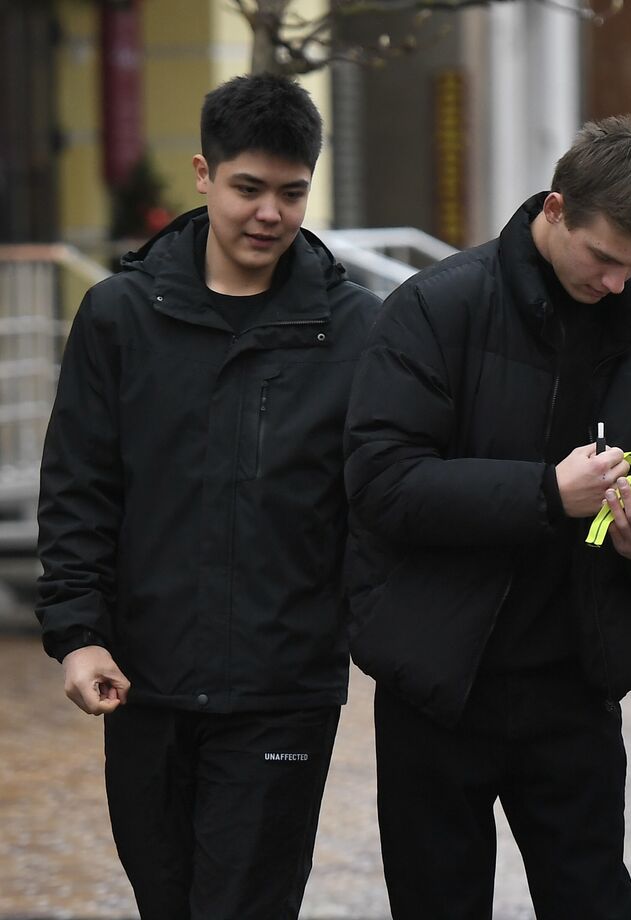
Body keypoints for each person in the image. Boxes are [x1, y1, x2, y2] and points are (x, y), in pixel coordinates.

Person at [342, 115, 631, 919]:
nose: (618, 282)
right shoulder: (433, 310)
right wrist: (547, 496)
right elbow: (382, 485)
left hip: (577, 690)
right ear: (556, 210)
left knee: (591, 899)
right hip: (437, 688)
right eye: (604, 258)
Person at [35, 73, 379, 919]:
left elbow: (383, 499)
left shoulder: (355, 329)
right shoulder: (118, 316)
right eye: (248, 188)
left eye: (291, 193)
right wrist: (79, 636)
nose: (269, 213)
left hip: (284, 693)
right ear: (202, 174)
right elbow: (80, 487)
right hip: (144, 688)